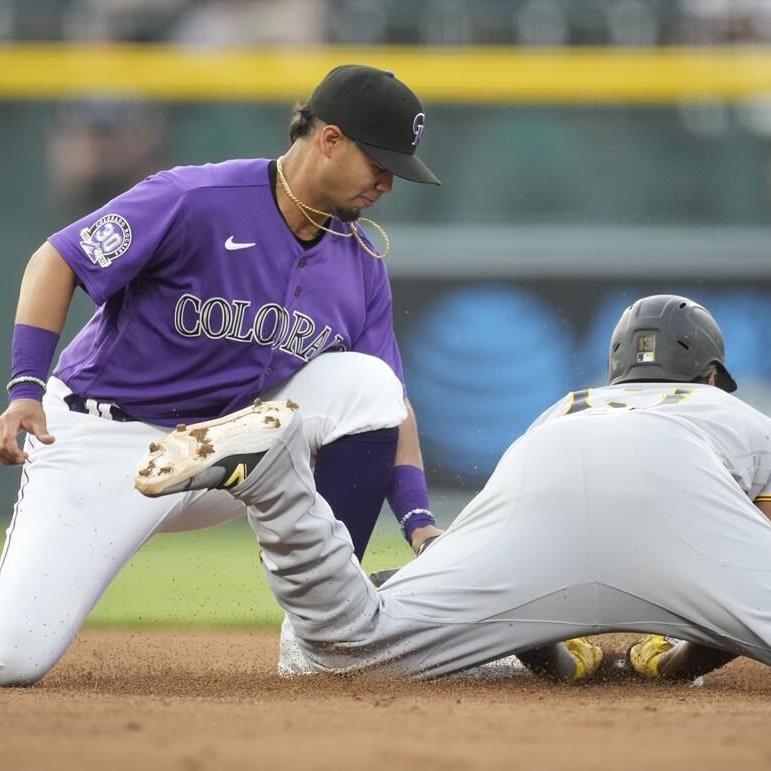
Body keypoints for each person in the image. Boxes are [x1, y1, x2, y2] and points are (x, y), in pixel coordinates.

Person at [0, 64, 443, 686]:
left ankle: (321, 633)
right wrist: (24, 387)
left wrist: (418, 521)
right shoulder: (194, 198)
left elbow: (386, 404)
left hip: (225, 452)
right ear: (331, 139)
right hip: (104, 443)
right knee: (12, 657)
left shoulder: (360, 260)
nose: (388, 184)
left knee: (367, 380)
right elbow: (58, 259)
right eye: (381, 163)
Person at [135, 294, 771, 682]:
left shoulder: (568, 409)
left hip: (541, 486)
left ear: (618, 371)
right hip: (681, 483)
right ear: (711, 374)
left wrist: (538, 643)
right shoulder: (731, 414)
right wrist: (689, 651)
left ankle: (278, 482)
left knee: (333, 649)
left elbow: (524, 536)